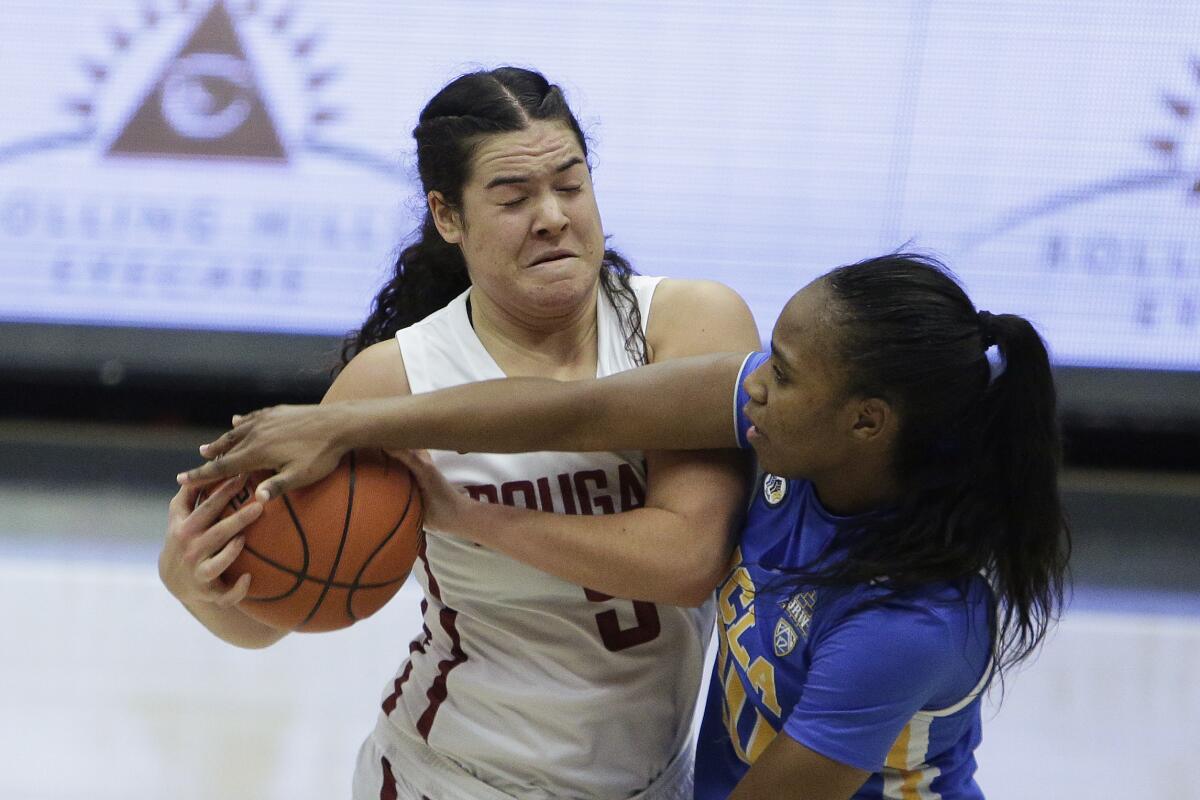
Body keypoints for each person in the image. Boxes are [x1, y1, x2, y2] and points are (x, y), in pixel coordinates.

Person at [182, 253, 1071, 799]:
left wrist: (466, 513)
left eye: (786, 372)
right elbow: (578, 412)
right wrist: (353, 424)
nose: (753, 376)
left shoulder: (905, 624)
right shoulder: (786, 433)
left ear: (867, 422)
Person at [161, 66, 761, 800]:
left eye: (570, 185)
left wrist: (471, 519)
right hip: (453, 777)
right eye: (513, 199)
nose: (551, 216)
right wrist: (192, 580)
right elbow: (277, 613)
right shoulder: (392, 384)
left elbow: (687, 557)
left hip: (653, 781)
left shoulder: (688, 323)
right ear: (448, 218)